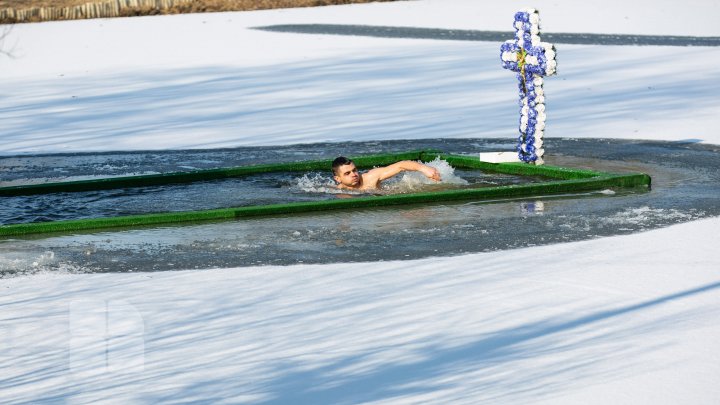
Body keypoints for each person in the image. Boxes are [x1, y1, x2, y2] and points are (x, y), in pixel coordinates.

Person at [331, 156, 441, 191]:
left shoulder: (370, 178)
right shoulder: (336, 191)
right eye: (347, 173)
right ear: (338, 178)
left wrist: (423, 168)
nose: (354, 174)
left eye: (354, 170)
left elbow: (400, 165)